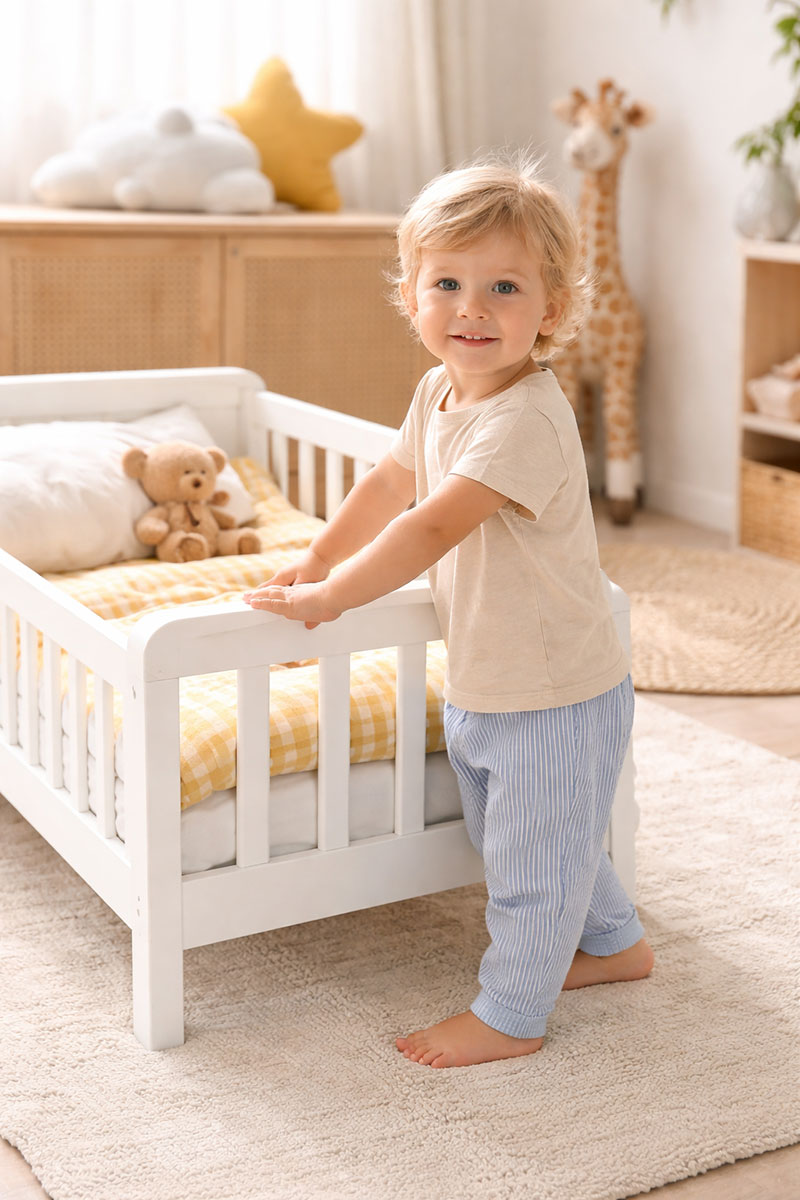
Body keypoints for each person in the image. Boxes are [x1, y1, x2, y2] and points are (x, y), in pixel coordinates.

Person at [243, 153, 654, 1068]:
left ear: (551, 311)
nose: (472, 307)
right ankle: (617, 945)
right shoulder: (441, 391)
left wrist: (327, 602)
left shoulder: (525, 421)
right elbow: (392, 479)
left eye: (504, 287)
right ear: (413, 294)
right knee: (530, 835)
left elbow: (428, 528)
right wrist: (314, 553)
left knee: (529, 868)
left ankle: (512, 1016)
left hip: (553, 689)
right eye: (449, 283)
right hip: (492, 674)